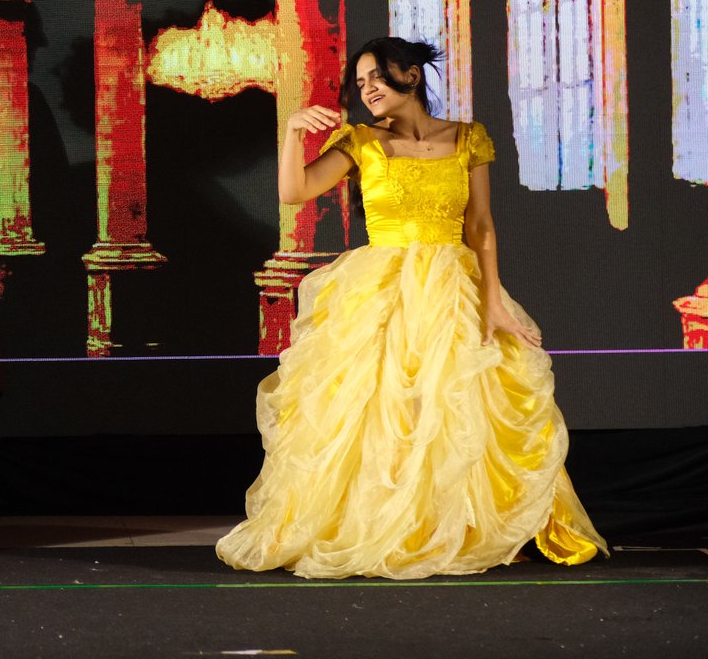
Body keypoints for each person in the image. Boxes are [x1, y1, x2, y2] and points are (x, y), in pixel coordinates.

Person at [216, 37, 608, 579]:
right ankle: (385, 524)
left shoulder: (467, 138)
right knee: (383, 407)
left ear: (412, 76)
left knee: (457, 405)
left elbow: (480, 226)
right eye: (360, 83)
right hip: (380, 290)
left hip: (453, 284)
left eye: (376, 76)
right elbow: (294, 192)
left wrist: (494, 300)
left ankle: (458, 524)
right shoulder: (361, 142)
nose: (368, 89)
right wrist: (292, 133)